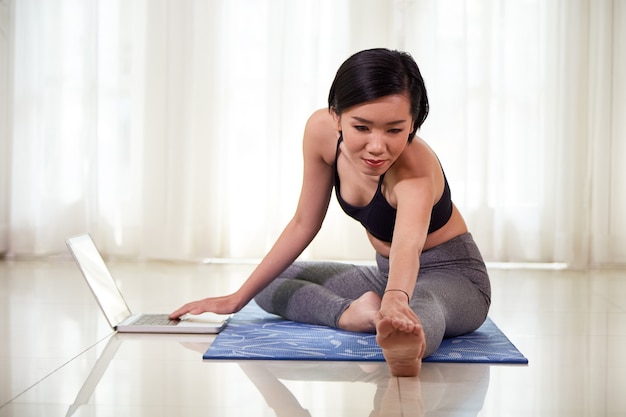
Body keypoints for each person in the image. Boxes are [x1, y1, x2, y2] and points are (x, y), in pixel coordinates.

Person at [170, 48, 491, 377]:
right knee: (270, 284)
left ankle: (402, 338)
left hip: (453, 278)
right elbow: (303, 223)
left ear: (412, 124)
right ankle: (355, 315)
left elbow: (407, 245)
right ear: (336, 116)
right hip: (386, 274)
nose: (378, 146)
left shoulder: (416, 170)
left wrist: (396, 298)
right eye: (362, 127)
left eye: (395, 130)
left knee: (418, 308)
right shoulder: (321, 133)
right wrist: (236, 299)